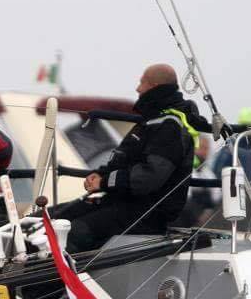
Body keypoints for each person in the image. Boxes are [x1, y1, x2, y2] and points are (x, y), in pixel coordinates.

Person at [53, 63, 210, 252]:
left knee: (76, 231)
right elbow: (126, 159)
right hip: (123, 202)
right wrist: (101, 174)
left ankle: (62, 271)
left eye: (142, 82)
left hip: (147, 212)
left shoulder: (168, 127)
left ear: (153, 86)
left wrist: (104, 182)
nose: (137, 88)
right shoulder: (151, 121)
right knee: (53, 218)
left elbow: (148, 177)